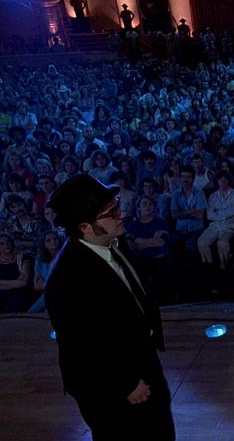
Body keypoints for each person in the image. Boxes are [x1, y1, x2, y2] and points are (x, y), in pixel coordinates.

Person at [44, 174, 175, 439]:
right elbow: (81, 350)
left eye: (117, 206)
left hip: (141, 360)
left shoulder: (113, 240)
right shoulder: (66, 281)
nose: (121, 214)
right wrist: (126, 384)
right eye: (111, 212)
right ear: (85, 227)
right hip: (114, 389)